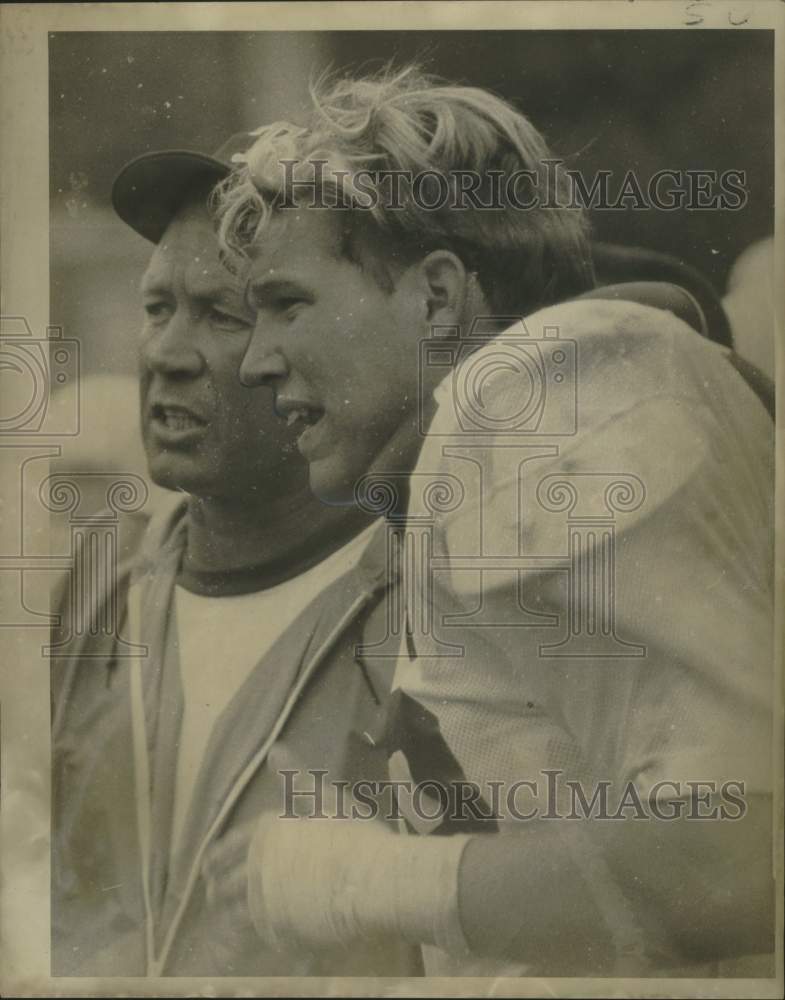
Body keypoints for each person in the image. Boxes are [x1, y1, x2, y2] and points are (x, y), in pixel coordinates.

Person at [210, 66, 776, 976]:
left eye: (287, 304)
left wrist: (358, 882)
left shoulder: (525, 399)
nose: (255, 362)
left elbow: (737, 861)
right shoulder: (455, 460)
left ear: (435, 296)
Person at [50, 138, 419, 978]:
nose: (166, 354)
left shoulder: (425, 597)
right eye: (156, 309)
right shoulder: (105, 581)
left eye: (224, 316)